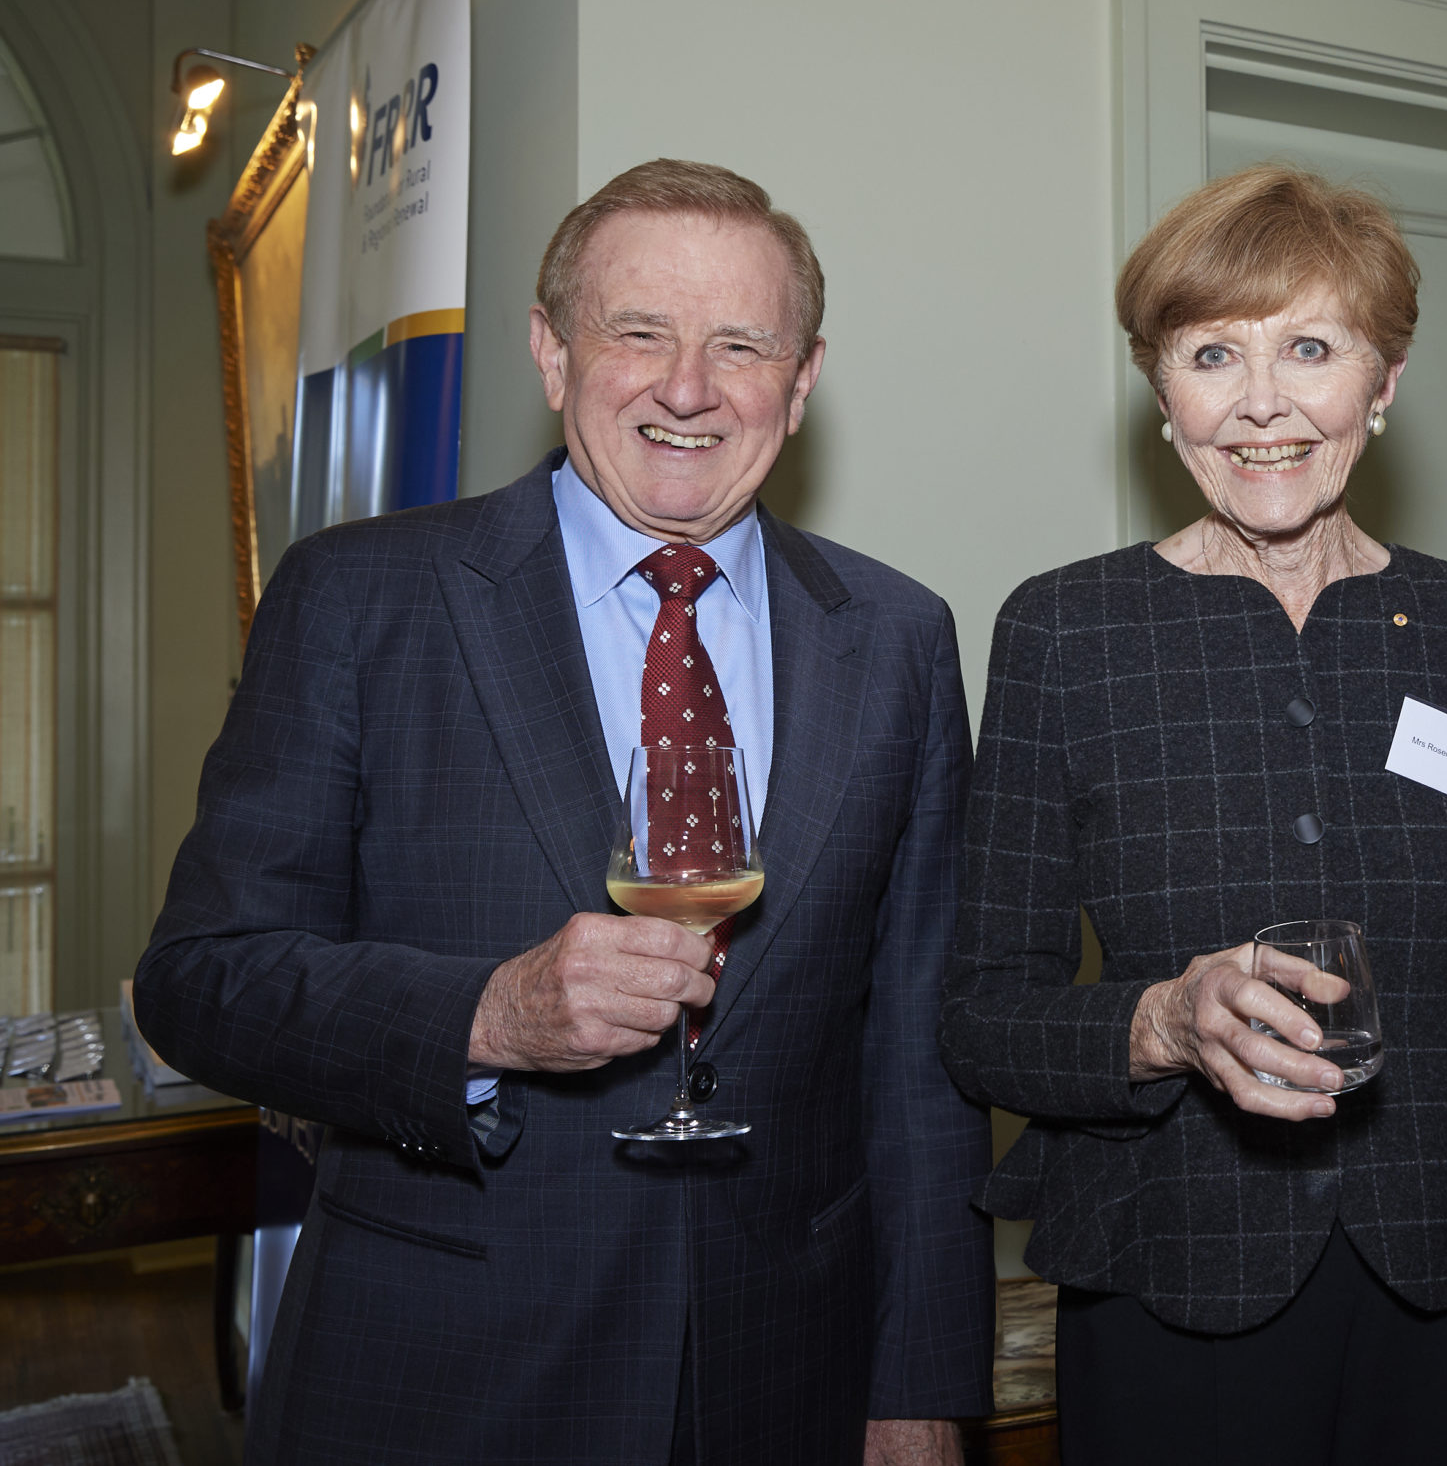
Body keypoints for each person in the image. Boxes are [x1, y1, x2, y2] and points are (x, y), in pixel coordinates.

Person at [135, 160, 991, 1465]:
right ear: (551, 352)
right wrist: (484, 1017)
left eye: (740, 345)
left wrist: (921, 1387)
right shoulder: (361, 603)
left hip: (789, 1385)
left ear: (803, 381)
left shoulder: (897, 640)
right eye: (637, 332)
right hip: (444, 1378)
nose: (687, 386)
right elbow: (201, 983)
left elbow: (918, 1065)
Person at [940, 165, 1447, 1466]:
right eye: (1212, 354)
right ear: (1160, 392)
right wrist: (1161, 1021)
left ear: (1385, 381)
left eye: (1310, 348)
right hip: (1181, 1268)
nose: (1263, 405)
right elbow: (983, 1019)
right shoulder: (1065, 632)